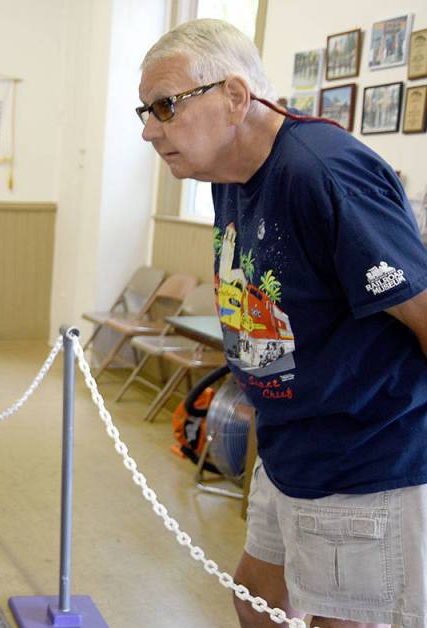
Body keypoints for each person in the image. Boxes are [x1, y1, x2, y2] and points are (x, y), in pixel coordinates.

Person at [138, 19, 427, 628]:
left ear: (236, 97)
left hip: (363, 456)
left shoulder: (324, 172)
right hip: (292, 446)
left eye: (165, 107)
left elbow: (421, 310)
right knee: (257, 598)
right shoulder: (226, 171)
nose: (148, 130)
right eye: (144, 110)